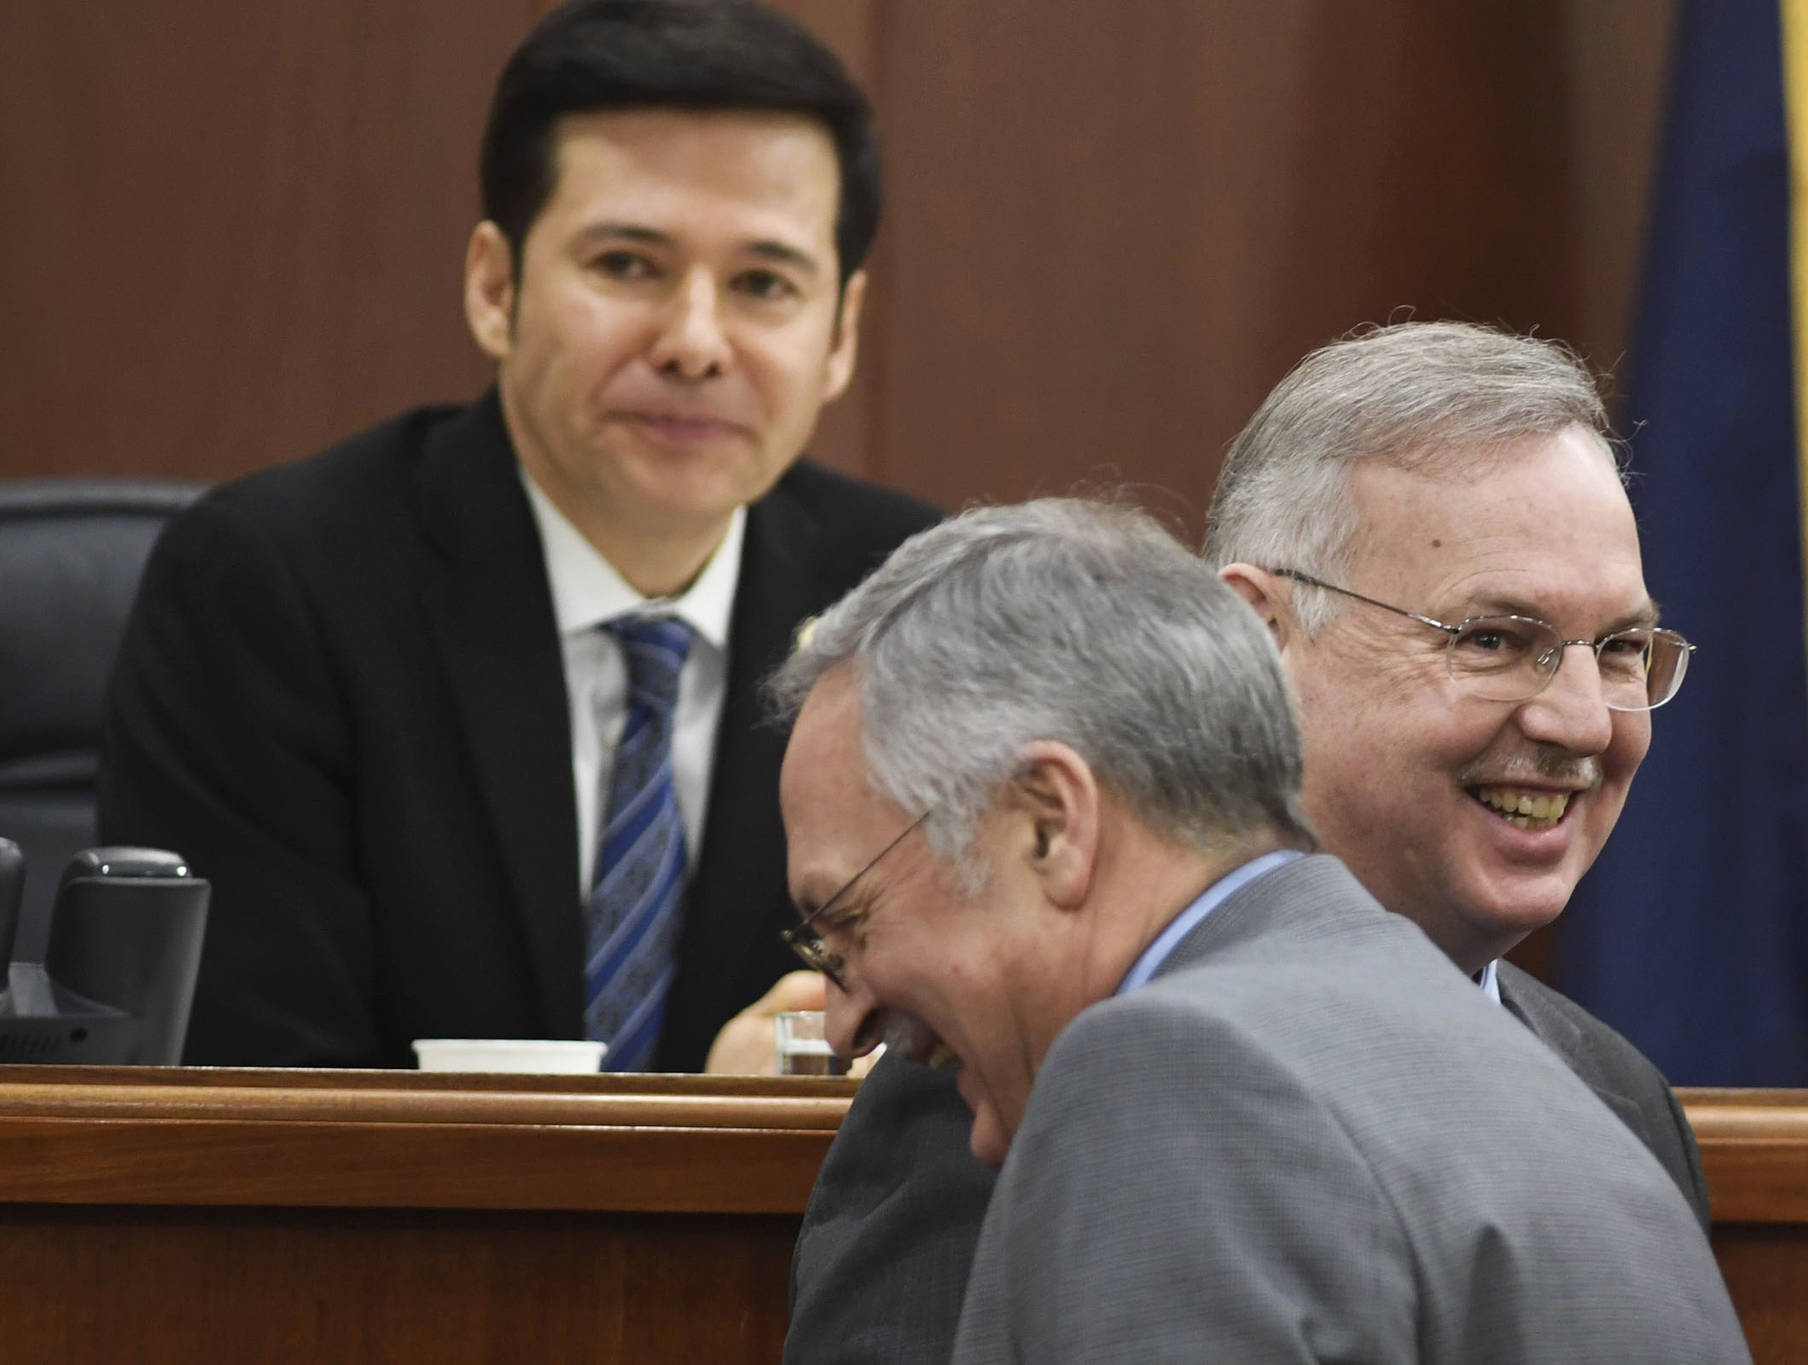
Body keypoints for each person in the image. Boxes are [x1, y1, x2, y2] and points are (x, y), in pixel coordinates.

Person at [784, 321, 1711, 1362]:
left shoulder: (1138, 1061)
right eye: (1493, 639)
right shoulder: (998, 1057)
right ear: (1256, 636)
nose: (1583, 721)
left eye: (1621, 649)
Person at [98, 0, 936, 1072]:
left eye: (762, 285)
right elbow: (249, 1101)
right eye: (628, 265)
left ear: (839, 335)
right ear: (496, 287)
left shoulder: (911, 612)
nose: (693, 341)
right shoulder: (271, 587)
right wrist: (702, 1133)